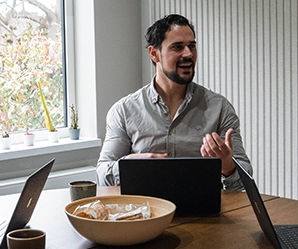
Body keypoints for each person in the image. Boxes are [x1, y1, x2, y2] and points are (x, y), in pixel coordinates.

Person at [96, 13, 253, 190]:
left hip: (205, 215)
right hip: (147, 214)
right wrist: (129, 165)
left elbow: (244, 179)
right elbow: (103, 175)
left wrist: (228, 167)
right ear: (154, 54)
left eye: (192, 46)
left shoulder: (219, 108)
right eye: (177, 47)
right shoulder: (124, 110)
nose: (188, 54)